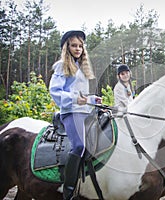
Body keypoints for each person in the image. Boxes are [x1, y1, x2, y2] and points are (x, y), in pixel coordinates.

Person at [49, 30, 101, 200]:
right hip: (70, 112)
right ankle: (68, 191)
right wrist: (74, 99)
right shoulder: (61, 66)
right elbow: (55, 91)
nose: (78, 48)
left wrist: (93, 99)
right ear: (67, 47)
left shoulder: (83, 68)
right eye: (74, 45)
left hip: (85, 112)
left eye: (80, 46)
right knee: (79, 146)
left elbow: (83, 96)